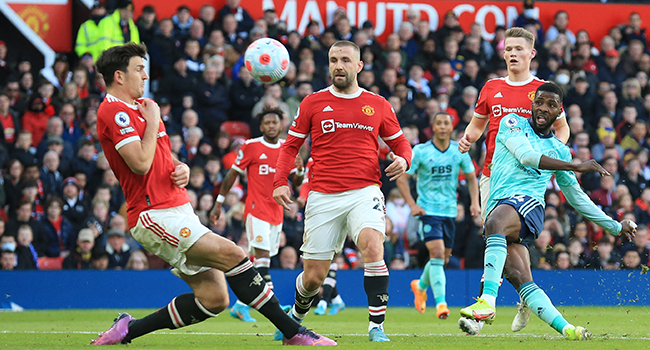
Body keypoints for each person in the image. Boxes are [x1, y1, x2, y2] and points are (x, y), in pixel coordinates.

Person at [92, 43, 335, 346]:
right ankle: (294, 332)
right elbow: (140, 164)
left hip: (177, 206)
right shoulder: (115, 110)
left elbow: (159, 160)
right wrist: (153, 118)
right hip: (152, 213)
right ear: (118, 76)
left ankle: (128, 329)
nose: (144, 76)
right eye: (139, 69)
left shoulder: (141, 107)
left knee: (214, 298)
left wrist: (180, 168)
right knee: (234, 253)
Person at [458, 83, 637, 340]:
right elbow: (527, 157)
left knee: (494, 224)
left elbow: (577, 198)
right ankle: (569, 330)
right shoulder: (512, 123)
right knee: (520, 278)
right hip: (502, 204)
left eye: (551, 105)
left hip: (528, 207)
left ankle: (487, 302)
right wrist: (577, 165)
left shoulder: (559, 149)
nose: (543, 108)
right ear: (532, 104)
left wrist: (615, 226)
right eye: (540, 102)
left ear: (559, 112)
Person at [272, 40, 413, 342]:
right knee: (313, 279)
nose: (339, 65)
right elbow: (290, 147)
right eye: (334, 60)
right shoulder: (312, 102)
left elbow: (401, 143)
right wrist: (279, 181)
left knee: (373, 246)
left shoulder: (378, 104)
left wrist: (404, 159)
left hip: (365, 191)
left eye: (346, 60)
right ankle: (295, 317)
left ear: (359, 66)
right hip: (322, 195)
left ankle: (376, 326)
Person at [458, 27, 570, 331]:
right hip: (491, 174)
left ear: (531, 53)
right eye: (508, 49)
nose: (512, 54)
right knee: (501, 239)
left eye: (519, 49)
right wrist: (467, 139)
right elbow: (478, 124)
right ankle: (524, 297)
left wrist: (548, 161)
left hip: (526, 177)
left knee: (498, 233)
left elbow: (562, 131)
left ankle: (485, 307)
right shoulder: (491, 87)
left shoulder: (542, 91)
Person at [210, 106, 303, 323]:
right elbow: (232, 175)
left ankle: (241, 306)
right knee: (262, 258)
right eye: (267, 123)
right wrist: (219, 203)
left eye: (274, 122)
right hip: (256, 209)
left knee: (261, 260)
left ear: (281, 125)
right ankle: (276, 306)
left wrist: (299, 170)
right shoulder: (251, 146)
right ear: (261, 126)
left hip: (276, 212)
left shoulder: (287, 149)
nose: (271, 126)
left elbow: (295, 182)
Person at [396, 112, 480, 319]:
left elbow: (471, 177)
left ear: (451, 127)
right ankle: (441, 304)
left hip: (449, 212)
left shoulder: (458, 150)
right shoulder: (421, 151)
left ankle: (421, 285)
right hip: (427, 211)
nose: (443, 127)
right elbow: (401, 178)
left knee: (442, 258)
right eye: (438, 123)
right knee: (436, 253)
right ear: (433, 127)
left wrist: (475, 203)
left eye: (446, 123)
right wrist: (412, 205)